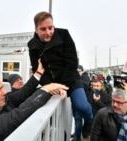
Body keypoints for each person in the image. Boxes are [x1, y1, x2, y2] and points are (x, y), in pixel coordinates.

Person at [0, 63, 68, 141]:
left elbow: (24, 93)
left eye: (2, 88)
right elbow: (13, 118)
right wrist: (46, 90)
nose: (4, 92)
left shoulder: (2, 101)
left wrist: (44, 80)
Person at [28, 11, 93, 139]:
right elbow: (37, 68)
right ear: (36, 30)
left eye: (50, 28)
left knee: (82, 106)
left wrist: (62, 86)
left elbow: (72, 61)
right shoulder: (32, 45)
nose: (48, 32)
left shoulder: (64, 34)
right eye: (43, 29)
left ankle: (89, 121)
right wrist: (51, 86)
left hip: (71, 79)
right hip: (51, 84)